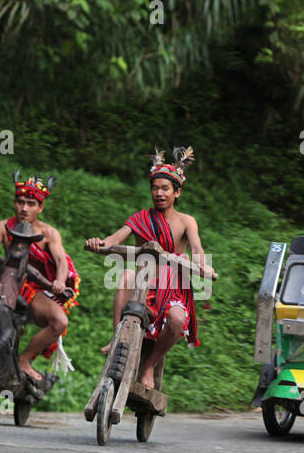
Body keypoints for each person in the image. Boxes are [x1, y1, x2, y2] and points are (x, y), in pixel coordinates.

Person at [85, 147, 216, 389]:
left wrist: (203, 267)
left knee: (177, 320)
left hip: (173, 287)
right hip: (144, 281)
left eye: (165, 188)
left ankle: (149, 366)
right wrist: (98, 244)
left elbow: (196, 249)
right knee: (125, 275)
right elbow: (114, 239)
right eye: (155, 188)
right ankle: (116, 339)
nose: (159, 193)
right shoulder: (139, 218)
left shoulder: (187, 221)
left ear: (177, 192)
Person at [0, 173, 80, 381]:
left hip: (37, 290)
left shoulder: (49, 233)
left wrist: (58, 281)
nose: (24, 208)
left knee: (60, 321)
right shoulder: (4, 227)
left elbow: (61, 261)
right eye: (20, 202)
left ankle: (25, 359)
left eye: (31, 204)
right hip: (9, 284)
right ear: (14, 203)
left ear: (40, 208)